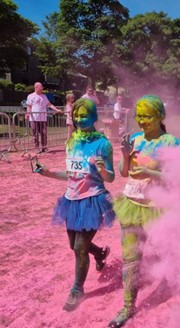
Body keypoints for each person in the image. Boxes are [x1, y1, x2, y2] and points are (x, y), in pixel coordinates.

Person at [108, 95, 180, 328]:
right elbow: (123, 172)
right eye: (138, 116)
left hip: (157, 209)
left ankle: (178, 281)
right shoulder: (135, 139)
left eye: (146, 116)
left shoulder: (172, 143)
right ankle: (128, 306)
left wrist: (152, 174)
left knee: (166, 252)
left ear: (160, 116)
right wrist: (125, 153)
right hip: (131, 206)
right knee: (130, 259)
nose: (140, 121)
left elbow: (179, 179)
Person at [36, 98, 115, 312]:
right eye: (77, 115)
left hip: (93, 200)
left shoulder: (103, 144)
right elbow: (71, 175)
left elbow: (111, 178)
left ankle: (77, 289)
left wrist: (101, 169)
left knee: (79, 248)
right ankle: (99, 253)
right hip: (71, 200)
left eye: (84, 115)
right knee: (74, 245)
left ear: (94, 117)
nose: (80, 119)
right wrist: (48, 173)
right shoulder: (71, 142)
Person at [25, 82, 61, 153]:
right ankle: (36, 148)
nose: (42, 89)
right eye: (41, 87)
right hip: (34, 118)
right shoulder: (30, 96)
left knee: (44, 133)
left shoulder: (44, 96)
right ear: (36, 87)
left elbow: (49, 104)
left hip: (43, 118)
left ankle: (44, 147)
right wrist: (28, 114)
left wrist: (57, 109)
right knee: (35, 134)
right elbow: (29, 106)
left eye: (42, 87)